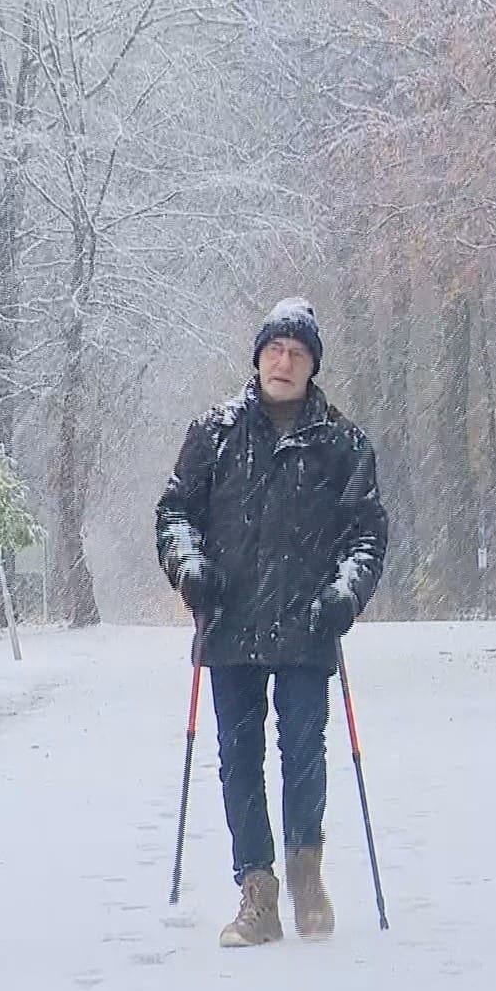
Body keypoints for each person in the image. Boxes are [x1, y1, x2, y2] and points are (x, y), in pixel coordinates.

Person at [154, 296, 389, 948]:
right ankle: (257, 888)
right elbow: (175, 513)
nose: (284, 362)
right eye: (274, 350)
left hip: (309, 625)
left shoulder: (343, 444)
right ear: (257, 358)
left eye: (298, 353)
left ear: (313, 367)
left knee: (304, 754)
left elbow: (366, 534)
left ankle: (305, 868)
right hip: (229, 623)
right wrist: (190, 567)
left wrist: (347, 593)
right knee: (238, 759)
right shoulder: (215, 432)